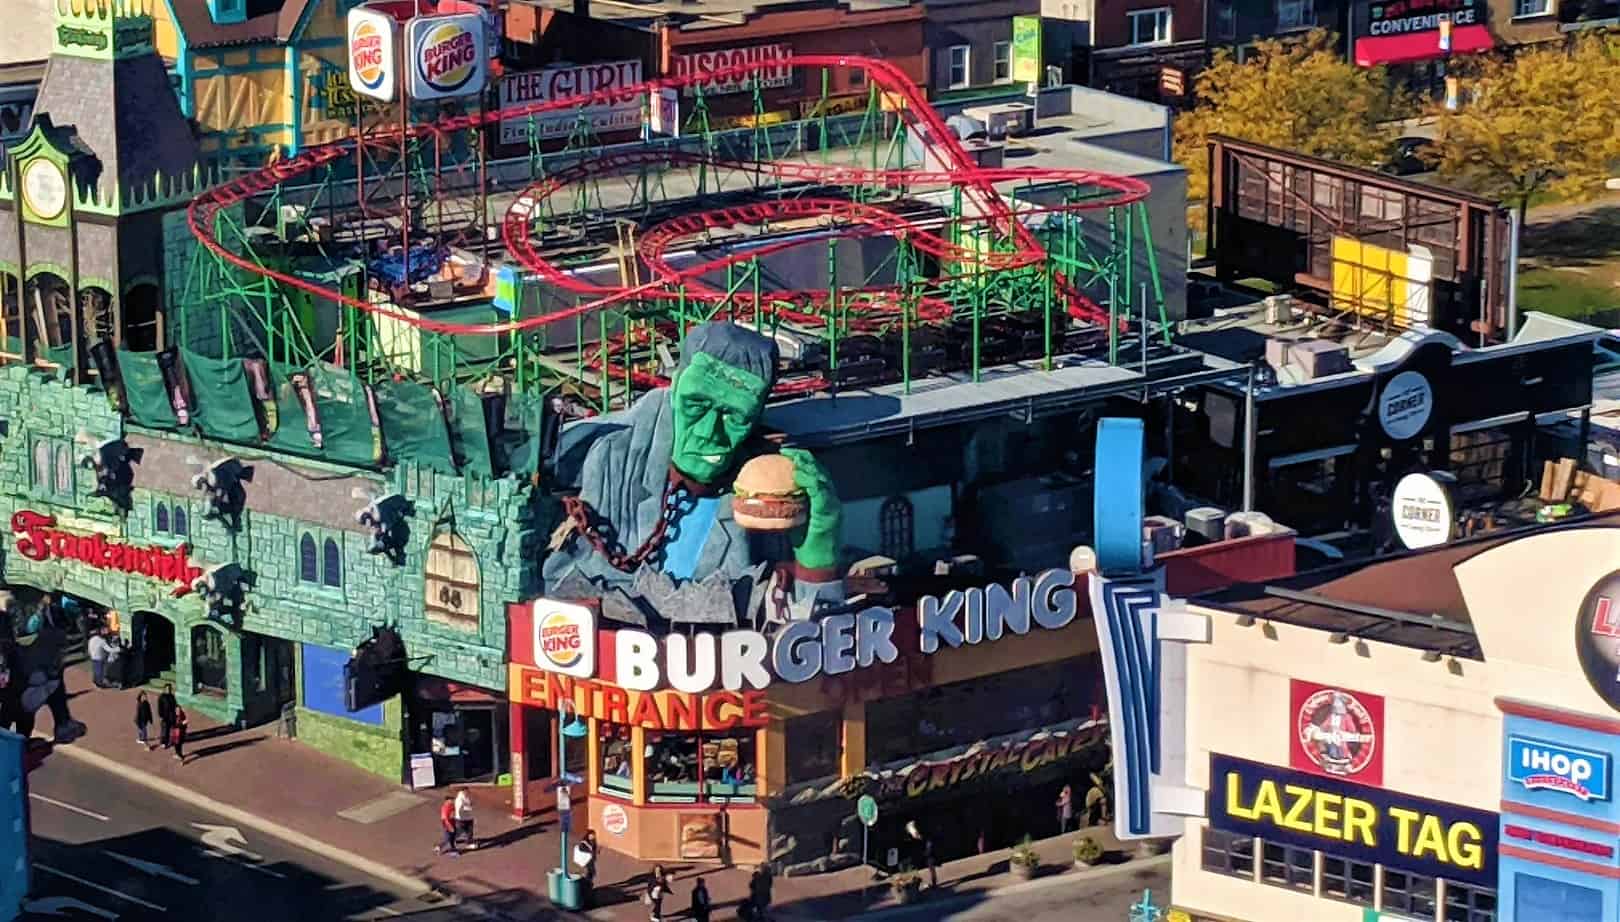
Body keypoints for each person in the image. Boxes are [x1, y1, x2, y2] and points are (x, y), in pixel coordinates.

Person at [544, 322, 845, 614]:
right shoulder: (613, 457)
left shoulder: (774, 488)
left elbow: (802, 631)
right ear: (675, 388)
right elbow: (560, 589)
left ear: (755, 417)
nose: (709, 432)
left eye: (733, 416)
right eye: (697, 406)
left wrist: (818, 554)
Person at [157, 683, 177, 750]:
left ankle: (172, 740)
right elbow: (159, 707)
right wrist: (161, 715)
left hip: (172, 715)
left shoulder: (172, 696)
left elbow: (175, 705)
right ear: (164, 689)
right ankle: (163, 743)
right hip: (165, 716)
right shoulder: (161, 697)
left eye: (170, 689)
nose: (168, 690)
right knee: (165, 730)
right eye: (167, 689)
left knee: (173, 729)